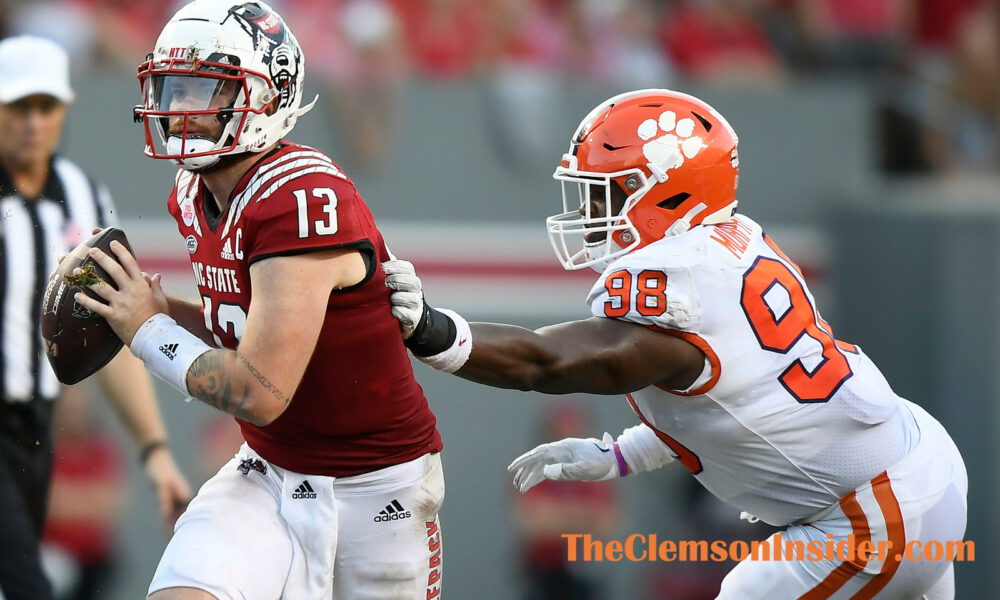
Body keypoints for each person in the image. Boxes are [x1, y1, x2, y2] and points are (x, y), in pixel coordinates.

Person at [384, 89, 969, 598]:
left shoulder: (680, 286)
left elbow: (552, 362)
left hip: (876, 515)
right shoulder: (732, 245)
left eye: (605, 195)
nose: (588, 212)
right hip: (912, 466)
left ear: (668, 196)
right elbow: (737, 399)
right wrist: (623, 454)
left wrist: (435, 331)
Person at [72, 2, 445, 598]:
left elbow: (259, 390)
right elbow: (242, 329)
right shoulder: (193, 191)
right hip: (270, 470)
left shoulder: (300, 194)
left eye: (204, 89)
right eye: (172, 88)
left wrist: (149, 331)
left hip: (377, 489)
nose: (179, 109)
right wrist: (151, 311)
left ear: (268, 95)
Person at [0, 35, 191, 600]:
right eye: (18, 107)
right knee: (27, 584)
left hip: (33, 429)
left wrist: (155, 451)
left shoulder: (83, 198)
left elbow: (109, 331)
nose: (33, 123)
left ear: (65, 107)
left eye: (46, 106)